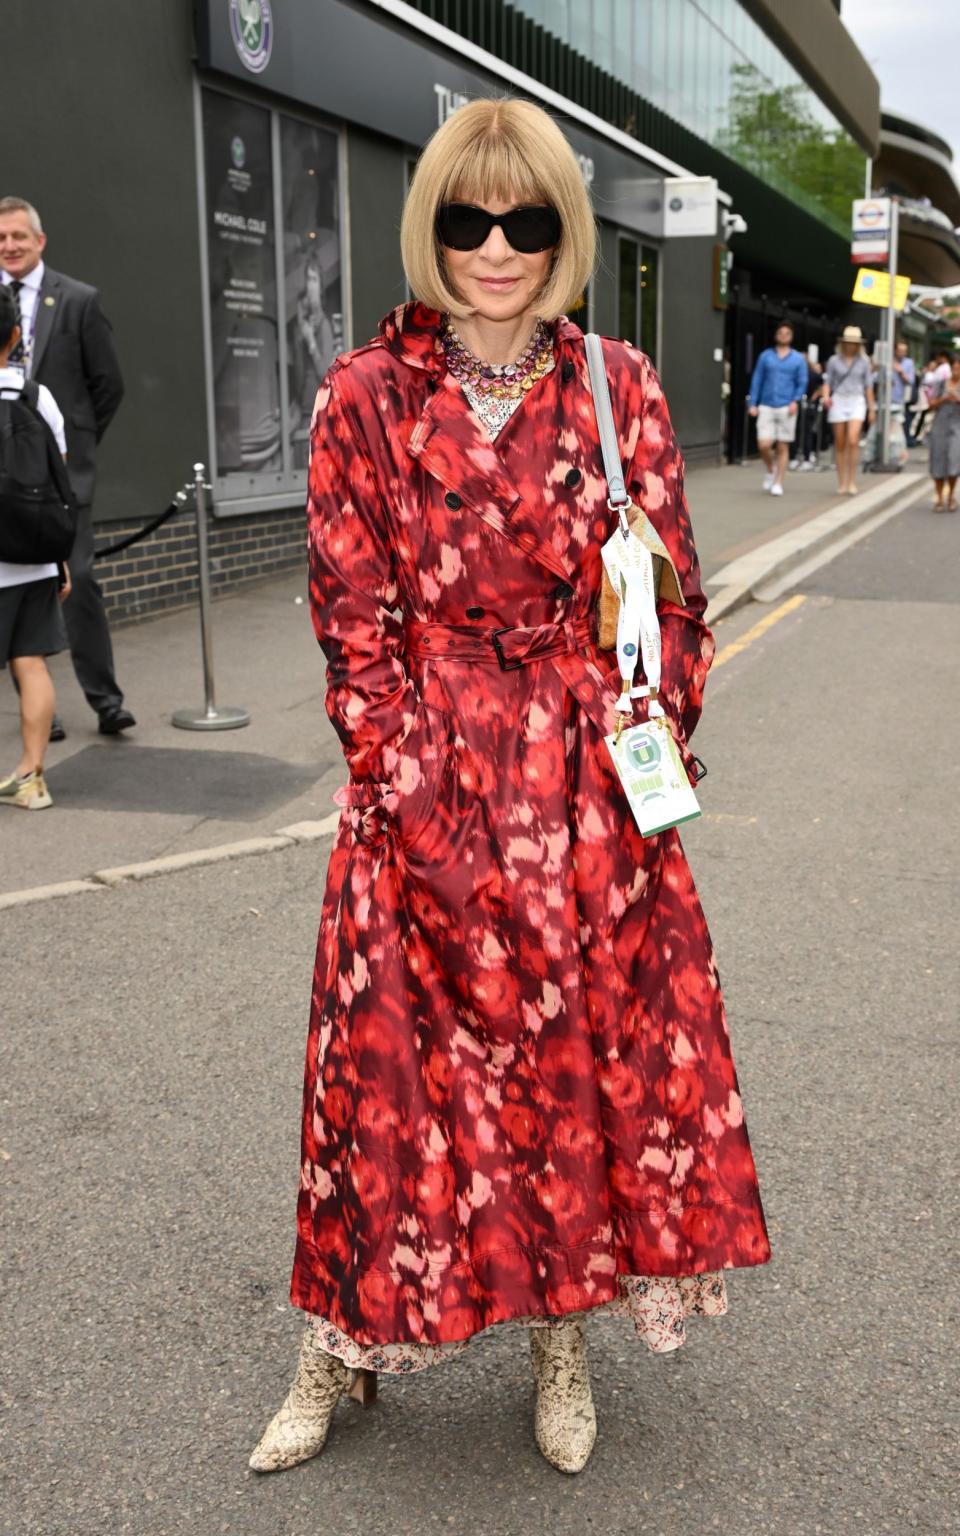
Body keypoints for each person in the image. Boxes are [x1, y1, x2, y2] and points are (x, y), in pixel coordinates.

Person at [249, 96, 770, 1480]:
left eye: (526, 220)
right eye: (469, 219)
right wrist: (407, 789)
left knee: (566, 1082)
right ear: (434, 226)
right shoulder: (364, 397)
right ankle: (337, 1345)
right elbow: (350, 626)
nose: (496, 246)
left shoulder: (621, 388)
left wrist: (626, 753)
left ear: (561, 233)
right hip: (419, 788)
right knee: (385, 1092)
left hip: (583, 792)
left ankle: (560, 1340)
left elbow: (677, 605)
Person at [0, 196, 132, 739]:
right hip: (2, 487)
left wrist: (65, 451)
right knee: (11, 591)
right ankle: (43, 714)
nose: (9, 246)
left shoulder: (77, 300)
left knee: (78, 586)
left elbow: (108, 386)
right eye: (1, 238)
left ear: (40, 241)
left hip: (61, 482)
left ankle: (106, 700)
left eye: (18, 237)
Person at [0, 287, 71, 809]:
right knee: (31, 662)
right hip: (36, 557)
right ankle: (32, 778)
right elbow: (57, 482)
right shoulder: (36, 396)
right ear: (17, 335)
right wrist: (60, 558)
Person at [747, 321, 807, 496]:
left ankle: (778, 481)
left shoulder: (798, 359)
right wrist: (753, 404)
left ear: (791, 336)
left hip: (787, 406)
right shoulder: (765, 356)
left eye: (787, 333)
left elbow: (802, 382)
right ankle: (770, 469)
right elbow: (757, 380)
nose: (783, 336)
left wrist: (795, 400)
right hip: (766, 404)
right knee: (763, 444)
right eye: (780, 333)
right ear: (776, 335)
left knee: (783, 446)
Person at [291, 253, 336, 469]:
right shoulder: (302, 324)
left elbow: (325, 376)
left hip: (318, 414)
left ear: (320, 287)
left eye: (314, 280)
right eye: (308, 279)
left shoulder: (324, 326)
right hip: (302, 412)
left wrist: (310, 342)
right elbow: (297, 376)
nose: (310, 286)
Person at [822, 325, 876, 495]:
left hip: (857, 400)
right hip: (838, 399)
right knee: (840, 443)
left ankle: (852, 480)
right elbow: (827, 382)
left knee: (853, 440)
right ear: (843, 343)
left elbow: (868, 386)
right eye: (848, 342)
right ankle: (842, 481)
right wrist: (826, 396)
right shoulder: (833, 360)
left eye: (854, 343)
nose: (850, 346)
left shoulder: (864, 361)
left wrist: (871, 408)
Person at [926, 353, 960, 511]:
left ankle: (951, 495)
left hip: (957, 427)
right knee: (938, 460)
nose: (956, 372)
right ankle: (939, 497)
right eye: (954, 368)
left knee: (954, 461)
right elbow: (930, 405)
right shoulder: (940, 384)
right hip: (940, 425)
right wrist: (944, 399)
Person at [891, 341, 917, 446]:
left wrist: (900, 371)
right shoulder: (888, 360)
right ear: (895, 351)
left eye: (904, 351)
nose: (902, 353)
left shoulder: (909, 363)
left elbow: (911, 381)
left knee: (899, 426)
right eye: (900, 351)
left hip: (899, 399)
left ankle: (897, 450)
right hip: (885, 398)